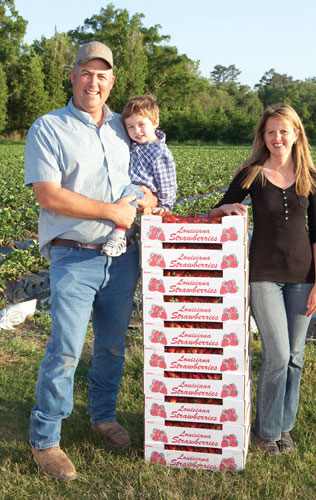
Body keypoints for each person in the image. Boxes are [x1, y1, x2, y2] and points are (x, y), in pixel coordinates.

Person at [24, 41, 157, 481]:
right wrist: (111, 211)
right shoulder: (49, 127)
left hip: (121, 258)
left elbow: (147, 178)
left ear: (112, 81)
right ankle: (45, 439)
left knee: (113, 345)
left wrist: (149, 198)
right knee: (64, 348)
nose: (93, 82)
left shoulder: (126, 128)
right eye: (86, 72)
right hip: (73, 255)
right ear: (73, 74)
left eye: (103, 75)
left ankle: (102, 415)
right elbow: (49, 194)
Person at [210, 104, 316, 456]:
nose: (277, 137)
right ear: (263, 136)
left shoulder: (311, 177)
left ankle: (284, 429)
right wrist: (226, 209)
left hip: (303, 277)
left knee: (295, 356)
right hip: (263, 275)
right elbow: (217, 208)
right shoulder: (252, 173)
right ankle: (265, 432)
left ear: (296, 135)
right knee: (277, 354)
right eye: (271, 131)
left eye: (284, 131)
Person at [101, 93, 177, 257]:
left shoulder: (159, 152)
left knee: (127, 200)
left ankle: (118, 236)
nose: (137, 131)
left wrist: (164, 206)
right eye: (131, 127)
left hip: (141, 190)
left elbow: (167, 182)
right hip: (129, 186)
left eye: (141, 124)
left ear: (155, 123)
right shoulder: (135, 145)